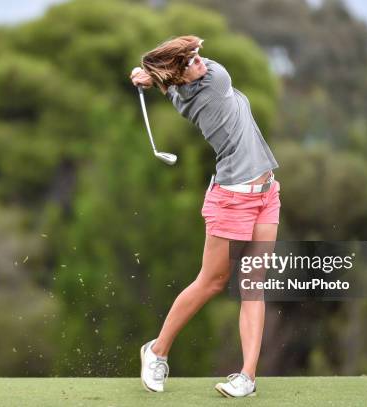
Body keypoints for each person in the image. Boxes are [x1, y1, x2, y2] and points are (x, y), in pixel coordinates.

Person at [129, 35, 281, 398]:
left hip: (267, 194)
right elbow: (183, 75)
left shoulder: (182, 90)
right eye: (191, 61)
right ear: (181, 77)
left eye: (197, 56)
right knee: (211, 282)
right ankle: (157, 350)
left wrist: (154, 77)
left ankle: (247, 377)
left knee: (253, 285)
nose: (201, 61)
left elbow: (172, 81)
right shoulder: (215, 83)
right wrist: (154, 76)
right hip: (232, 199)